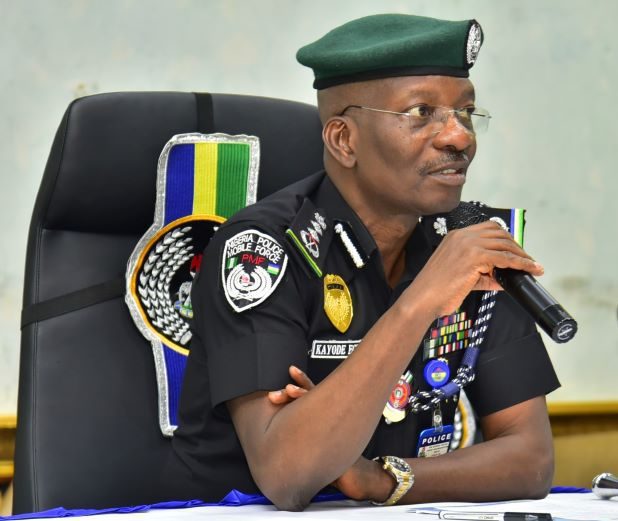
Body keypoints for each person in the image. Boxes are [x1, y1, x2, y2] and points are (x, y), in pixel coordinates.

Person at [166, 13, 560, 511]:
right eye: (421, 112)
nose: (459, 137)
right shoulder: (263, 249)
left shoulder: (466, 245)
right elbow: (288, 473)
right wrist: (422, 300)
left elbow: (531, 459)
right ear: (343, 140)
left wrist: (381, 479)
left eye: (465, 112)